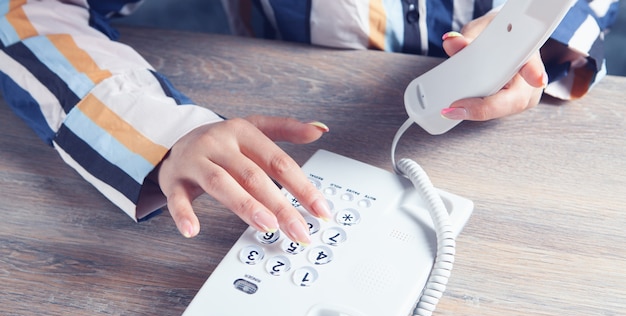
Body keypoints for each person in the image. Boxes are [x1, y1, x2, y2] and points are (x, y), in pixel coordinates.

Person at [0, 0, 618, 243]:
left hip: (516, 136)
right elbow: (24, 11)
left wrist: (541, 33)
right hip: (300, 97)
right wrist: (162, 130)